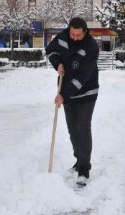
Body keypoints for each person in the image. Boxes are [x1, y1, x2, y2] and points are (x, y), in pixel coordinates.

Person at [45, 17, 99, 186]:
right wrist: (58, 63)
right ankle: (79, 160)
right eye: (72, 34)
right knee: (72, 130)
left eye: (78, 35)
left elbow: (83, 77)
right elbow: (51, 51)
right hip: (67, 92)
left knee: (83, 128)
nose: (75, 37)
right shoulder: (62, 38)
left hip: (86, 92)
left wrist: (64, 95)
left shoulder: (91, 46)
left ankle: (84, 170)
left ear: (85, 32)